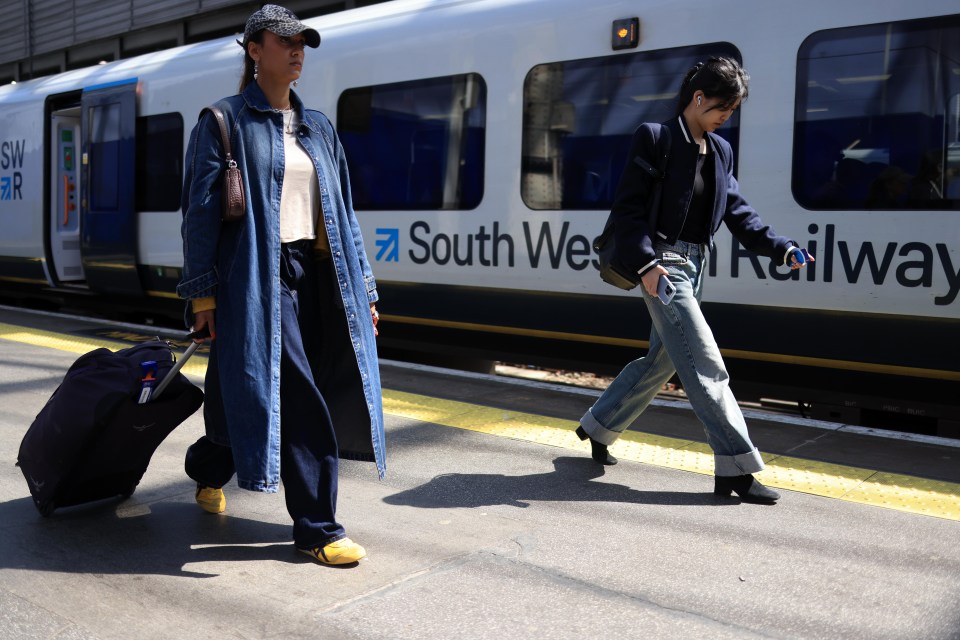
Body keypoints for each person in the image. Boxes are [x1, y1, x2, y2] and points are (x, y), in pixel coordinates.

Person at [176, 5, 385, 565]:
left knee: (241, 388)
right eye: (284, 40)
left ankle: (208, 465)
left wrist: (363, 290)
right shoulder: (223, 122)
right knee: (297, 393)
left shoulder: (318, 126)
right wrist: (202, 294)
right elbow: (199, 214)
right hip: (253, 277)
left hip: (317, 275)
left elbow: (343, 214)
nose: (296, 50)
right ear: (253, 50)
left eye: (303, 43)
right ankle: (319, 528)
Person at [577, 57, 813, 504]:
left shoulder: (721, 151)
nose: (726, 116)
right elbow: (628, 210)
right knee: (704, 362)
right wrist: (647, 266)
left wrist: (780, 247)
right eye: (721, 106)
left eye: (733, 109)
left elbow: (738, 213)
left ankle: (598, 425)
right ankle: (736, 468)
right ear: (698, 98)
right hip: (663, 267)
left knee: (662, 361)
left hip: (696, 265)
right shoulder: (656, 138)